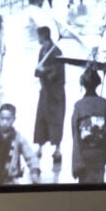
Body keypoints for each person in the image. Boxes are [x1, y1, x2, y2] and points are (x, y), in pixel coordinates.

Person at [70, 67, 106, 183]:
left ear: (83, 85)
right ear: (97, 84)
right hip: (100, 153)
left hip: (84, 153)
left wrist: (77, 161)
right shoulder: (105, 104)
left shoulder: (78, 106)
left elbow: (75, 134)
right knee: (99, 186)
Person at [33, 26, 65, 165]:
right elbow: (37, 71)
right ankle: (39, 147)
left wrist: (44, 70)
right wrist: (39, 71)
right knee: (41, 120)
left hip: (56, 94)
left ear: (43, 36)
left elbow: (56, 73)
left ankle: (57, 149)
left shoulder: (57, 52)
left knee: (56, 121)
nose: (38, 39)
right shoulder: (43, 51)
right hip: (45, 92)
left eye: (39, 36)